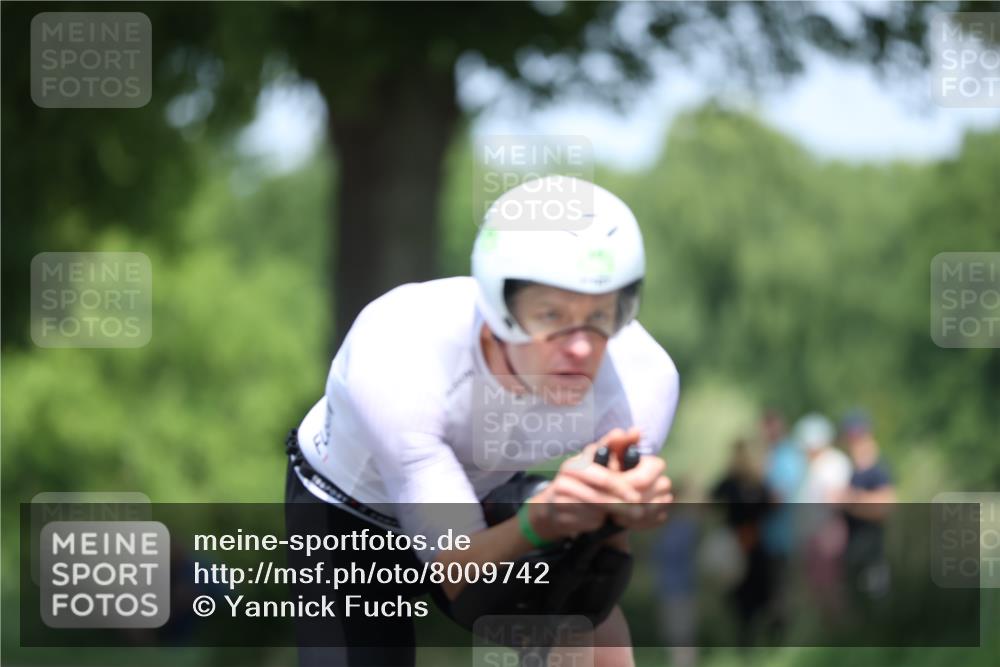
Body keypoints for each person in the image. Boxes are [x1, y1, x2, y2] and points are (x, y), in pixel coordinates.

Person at [284, 175, 680, 667]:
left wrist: (616, 510)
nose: (580, 346)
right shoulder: (398, 352)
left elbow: (605, 553)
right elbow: (457, 569)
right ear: (497, 308)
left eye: (602, 314)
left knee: (590, 619)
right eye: (551, 315)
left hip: (484, 487)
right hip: (349, 506)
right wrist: (542, 519)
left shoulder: (643, 376)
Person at [710, 440, 772, 647]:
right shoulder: (729, 483)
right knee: (738, 594)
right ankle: (744, 640)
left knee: (760, 591)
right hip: (735, 543)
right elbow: (712, 500)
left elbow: (770, 506)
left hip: (755, 544)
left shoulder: (758, 483)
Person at [792, 413, 852, 623]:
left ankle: (841, 631)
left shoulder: (834, 463)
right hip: (812, 532)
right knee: (817, 585)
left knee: (830, 584)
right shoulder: (812, 465)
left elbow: (834, 498)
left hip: (826, 529)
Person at [834, 409, 895, 601]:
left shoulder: (878, 468)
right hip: (853, 548)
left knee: (876, 600)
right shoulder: (852, 468)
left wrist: (851, 501)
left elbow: (886, 505)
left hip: (872, 548)